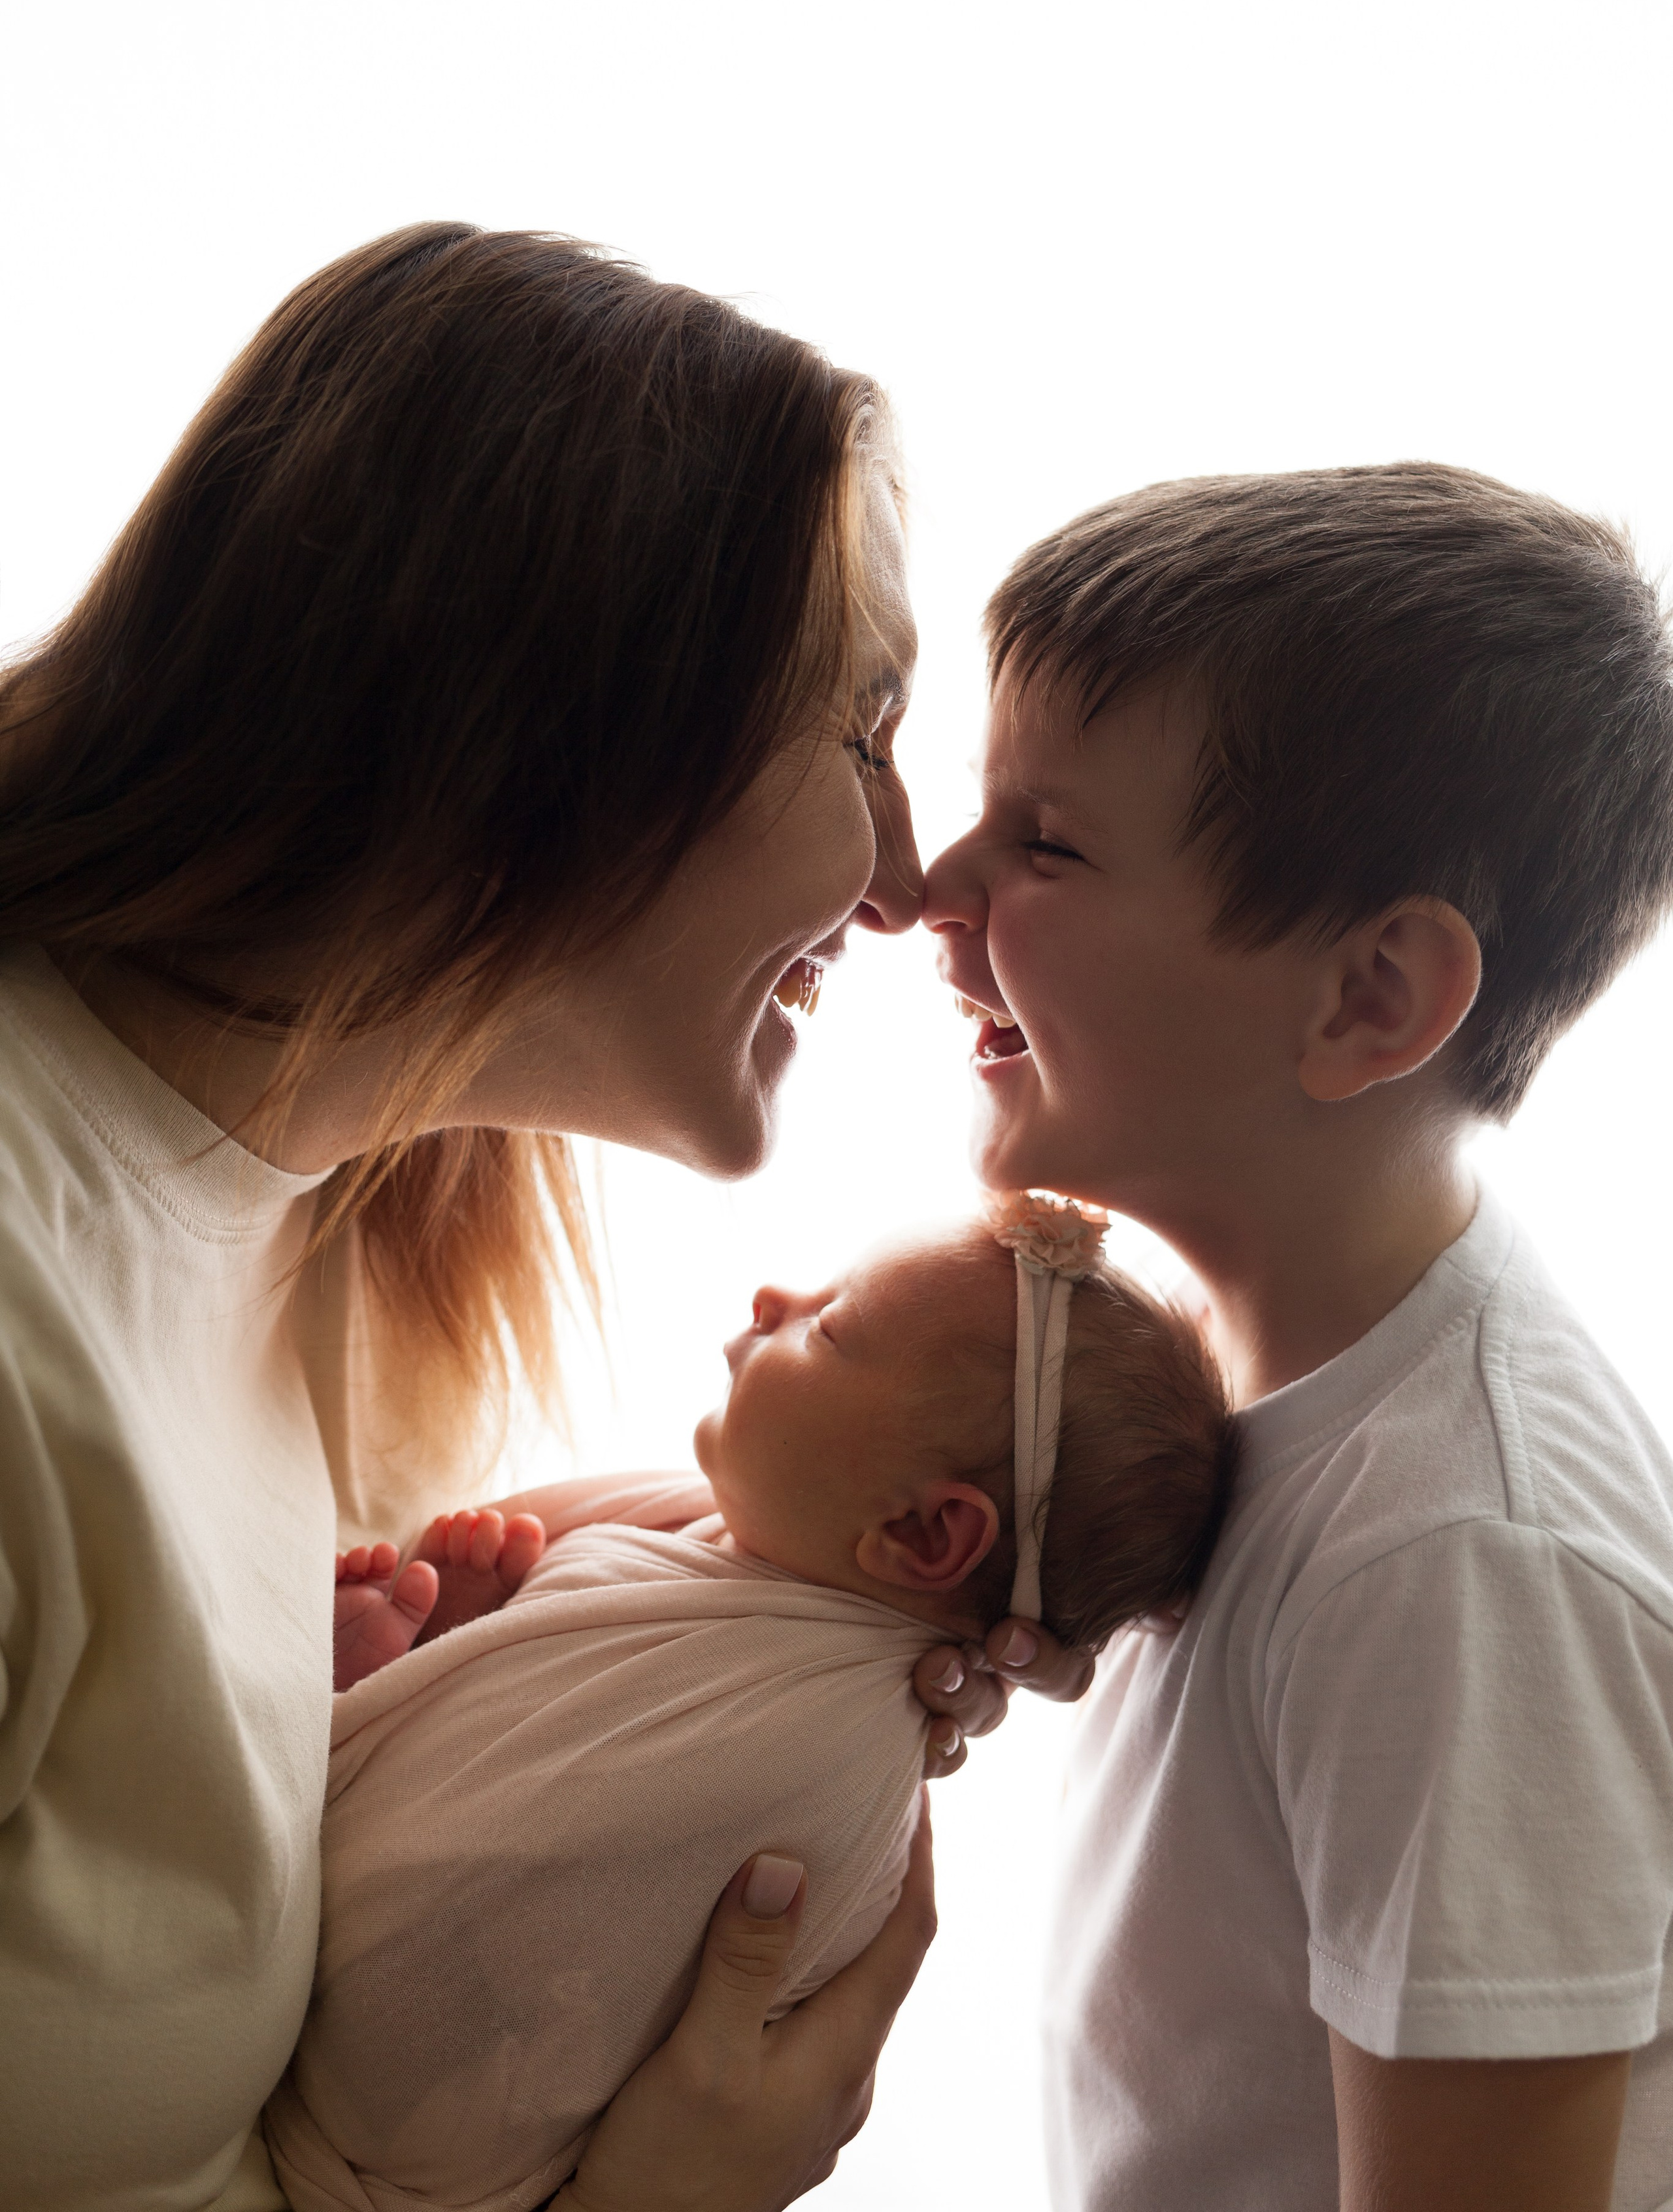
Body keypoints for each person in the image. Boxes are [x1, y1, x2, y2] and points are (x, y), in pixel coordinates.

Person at [0, 224, 1072, 2212]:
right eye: (861, 734)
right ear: (548, 727)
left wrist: (754, 1645)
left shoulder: (347, 1223)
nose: (907, 879)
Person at [925, 463, 1673, 2212]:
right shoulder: (1261, 1392)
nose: (930, 887)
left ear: (1368, 998)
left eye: (1046, 844)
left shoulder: (1459, 1558)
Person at [267, 1199, 1236, 2211]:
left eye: (830, 1327)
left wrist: (409, 1662)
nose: (775, 1298)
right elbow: (521, 1727)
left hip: (374, 2098)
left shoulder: (818, 1757)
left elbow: (547, 1882)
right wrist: (458, 1636)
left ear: (924, 1535)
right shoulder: (732, 1558)